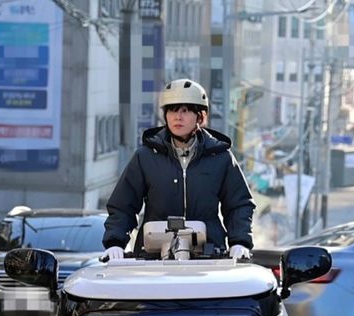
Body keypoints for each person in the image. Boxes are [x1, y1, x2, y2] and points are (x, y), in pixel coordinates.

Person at [102, 78, 255, 260]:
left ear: (200, 116)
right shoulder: (145, 156)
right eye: (172, 110)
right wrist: (115, 243)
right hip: (153, 256)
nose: (177, 117)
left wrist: (239, 241)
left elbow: (239, 204)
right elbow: (123, 204)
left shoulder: (220, 157)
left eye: (185, 110)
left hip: (209, 256)